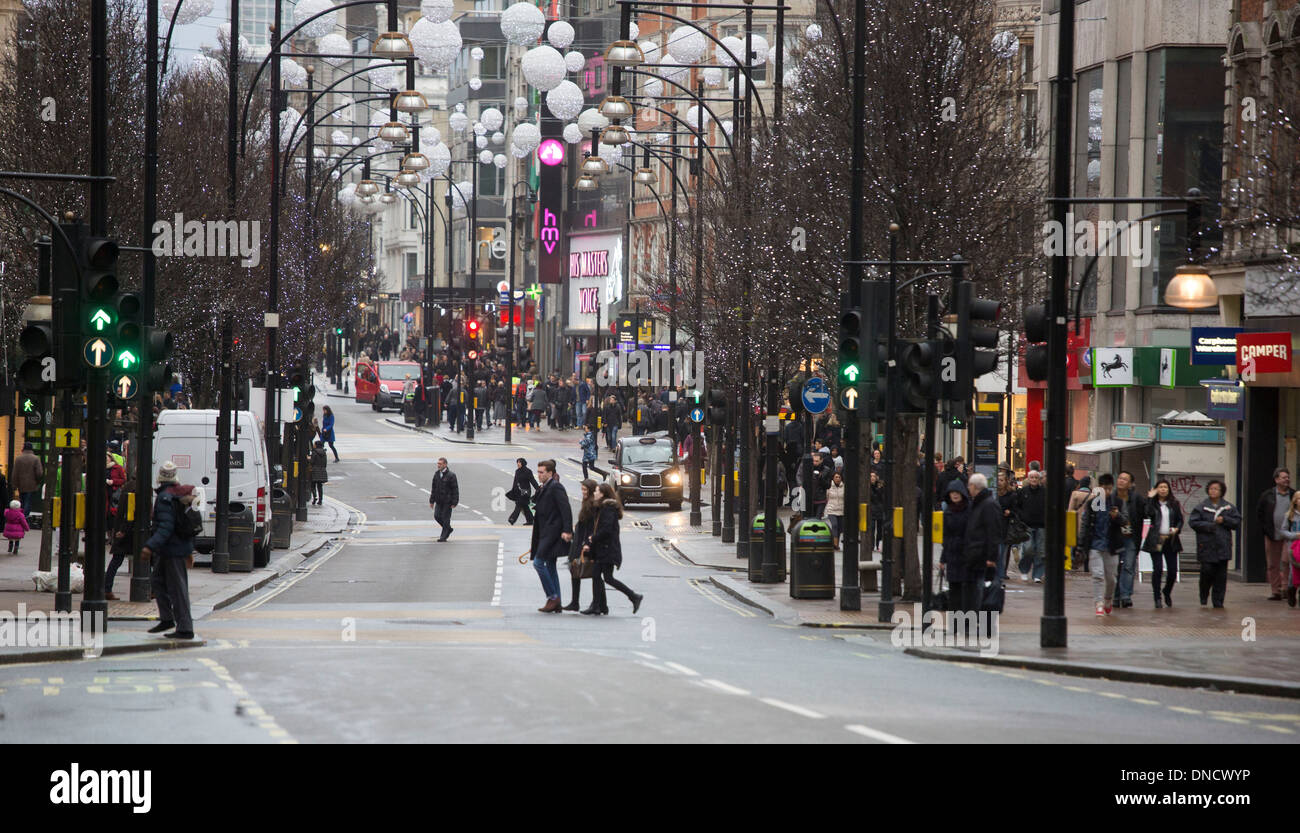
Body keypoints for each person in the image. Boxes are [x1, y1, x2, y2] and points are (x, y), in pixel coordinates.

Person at [142, 461, 198, 640]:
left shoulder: (166, 497)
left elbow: (166, 526)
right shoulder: (175, 493)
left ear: (159, 478)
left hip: (173, 550)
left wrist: (150, 546)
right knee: (157, 581)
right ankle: (167, 619)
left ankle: (185, 628)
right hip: (170, 549)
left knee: (178, 589)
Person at [583, 482, 644, 615]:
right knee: (598, 576)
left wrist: (593, 538)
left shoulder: (608, 509)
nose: (594, 493)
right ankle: (599, 606)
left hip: (608, 549)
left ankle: (633, 596)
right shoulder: (602, 507)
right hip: (603, 549)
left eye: (597, 491)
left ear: (603, 494)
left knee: (607, 578)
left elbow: (606, 530)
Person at [1189, 480, 1241, 608]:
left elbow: (1237, 522)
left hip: (1223, 546)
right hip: (1206, 545)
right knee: (1207, 571)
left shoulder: (1228, 507)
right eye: (1211, 488)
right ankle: (1204, 593)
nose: (1213, 491)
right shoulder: (1201, 507)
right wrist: (1209, 526)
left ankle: (1218, 601)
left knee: (1221, 576)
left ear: (1221, 491)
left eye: (1216, 489)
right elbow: (1193, 523)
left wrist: (1224, 520)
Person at [1080, 473, 1126, 615]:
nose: (1106, 492)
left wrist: (1117, 516)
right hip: (1095, 544)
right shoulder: (1092, 503)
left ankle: (1107, 599)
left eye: (1109, 489)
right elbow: (1085, 524)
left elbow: (1126, 522)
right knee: (1098, 575)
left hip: (1112, 545)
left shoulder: (1117, 502)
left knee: (1111, 578)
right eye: (1103, 488)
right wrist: (1081, 545)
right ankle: (1098, 603)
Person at [530, 460, 573, 613]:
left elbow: (566, 509)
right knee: (551, 566)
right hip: (544, 532)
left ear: (550, 473)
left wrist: (567, 530)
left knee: (538, 563)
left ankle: (552, 597)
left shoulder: (556, 487)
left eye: (542, 472)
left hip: (552, 533)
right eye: (538, 472)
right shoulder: (546, 486)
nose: (539, 475)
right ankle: (557, 602)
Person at [961, 474, 1002, 631]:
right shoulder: (979, 504)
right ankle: (976, 622)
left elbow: (993, 532)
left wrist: (991, 557)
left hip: (982, 556)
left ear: (974, 486)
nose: (968, 489)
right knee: (977, 590)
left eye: (970, 486)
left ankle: (984, 624)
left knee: (982, 591)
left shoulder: (988, 505)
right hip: (975, 555)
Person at [1255, 467, 1295, 601]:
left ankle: (1286, 588)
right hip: (1272, 534)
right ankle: (1275, 591)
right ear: (1276, 479)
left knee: (1287, 561)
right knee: (1272, 563)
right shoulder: (1267, 495)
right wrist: (1265, 530)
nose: (1287, 479)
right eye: (1284, 477)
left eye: (1288, 477)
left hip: (1289, 535)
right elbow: (1259, 513)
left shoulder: (1293, 495)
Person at [1142, 478, 1183, 608]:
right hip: (1156, 539)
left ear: (1169, 489)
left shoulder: (1174, 504)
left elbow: (1180, 520)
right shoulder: (1153, 504)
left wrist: (1177, 529)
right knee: (1158, 569)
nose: (1163, 489)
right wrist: (1149, 498)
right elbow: (1147, 513)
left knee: (1172, 571)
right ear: (1156, 489)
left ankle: (1167, 591)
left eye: (1165, 487)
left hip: (1170, 540)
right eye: (1160, 487)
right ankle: (1157, 597)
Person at [563, 479, 601, 612]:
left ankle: (594, 604)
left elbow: (590, 526)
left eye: (585, 490)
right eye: (582, 489)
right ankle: (577, 602)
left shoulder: (591, 504)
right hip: (579, 540)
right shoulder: (587, 502)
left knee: (590, 572)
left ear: (591, 490)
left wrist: (586, 543)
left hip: (584, 542)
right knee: (577, 570)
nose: (583, 492)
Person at [1111, 471, 1145, 608]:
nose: (1121, 481)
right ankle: (1116, 596)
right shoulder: (1111, 497)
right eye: (1120, 478)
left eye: (1125, 479)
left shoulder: (1136, 498)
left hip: (1131, 537)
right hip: (1115, 536)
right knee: (1115, 568)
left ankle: (1125, 596)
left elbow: (1145, 513)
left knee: (1128, 566)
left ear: (1130, 483)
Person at [939, 479, 971, 610]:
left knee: (967, 588)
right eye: (952, 493)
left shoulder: (969, 510)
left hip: (967, 554)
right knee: (954, 589)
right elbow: (946, 537)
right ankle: (956, 622)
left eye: (957, 492)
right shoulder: (948, 512)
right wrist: (943, 559)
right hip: (952, 554)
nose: (955, 495)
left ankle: (967, 619)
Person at [104, 478, 136, 599]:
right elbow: (131, 510)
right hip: (131, 531)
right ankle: (106, 588)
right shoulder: (138, 487)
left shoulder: (128, 485)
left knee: (116, 560)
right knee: (146, 560)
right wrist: (124, 530)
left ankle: (107, 588)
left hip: (125, 529)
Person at [1015, 470, 1047, 582]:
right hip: (1027, 525)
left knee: (1040, 551)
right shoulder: (1023, 491)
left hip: (1042, 525)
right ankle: (1024, 570)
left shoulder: (1045, 492)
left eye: (1036, 478)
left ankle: (1037, 575)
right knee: (1028, 549)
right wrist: (1021, 517)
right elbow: (1017, 506)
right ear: (1028, 479)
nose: (1034, 480)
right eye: (1032, 477)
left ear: (1039, 479)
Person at [428, 457, 459, 542]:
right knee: (437, 516)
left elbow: (455, 489)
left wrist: (455, 502)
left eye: (440, 464)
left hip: (447, 502)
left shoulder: (451, 475)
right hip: (438, 501)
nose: (438, 465)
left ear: (445, 464)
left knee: (445, 519)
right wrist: (431, 501)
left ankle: (443, 536)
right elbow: (433, 489)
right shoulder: (436, 474)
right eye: (438, 463)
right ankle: (448, 529)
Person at [12, 442, 43, 519]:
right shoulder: (36, 459)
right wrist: (38, 482)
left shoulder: (18, 459)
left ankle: (21, 516)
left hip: (21, 485)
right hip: (32, 485)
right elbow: (39, 473)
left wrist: (14, 485)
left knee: (22, 501)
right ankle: (24, 517)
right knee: (28, 501)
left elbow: (15, 473)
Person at [507, 457, 539, 525]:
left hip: (526, 492)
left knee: (518, 505)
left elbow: (532, 481)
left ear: (523, 463)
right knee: (525, 506)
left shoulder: (528, 471)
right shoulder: (517, 471)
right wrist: (513, 491)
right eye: (517, 462)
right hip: (519, 492)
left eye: (519, 462)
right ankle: (530, 520)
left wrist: (538, 489)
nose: (518, 464)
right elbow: (515, 482)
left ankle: (512, 519)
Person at [825, 471, 845, 549]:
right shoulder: (829, 486)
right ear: (833, 478)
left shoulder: (844, 487)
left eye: (839, 477)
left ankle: (837, 543)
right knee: (834, 525)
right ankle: (835, 544)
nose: (838, 479)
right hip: (831, 510)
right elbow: (826, 497)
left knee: (840, 528)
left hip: (841, 510)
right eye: (836, 477)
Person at [310, 440, 329, 506]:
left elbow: (312, 462)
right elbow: (325, 463)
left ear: (316, 445)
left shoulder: (314, 452)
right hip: (322, 470)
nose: (313, 445)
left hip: (315, 470)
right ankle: (320, 500)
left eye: (314, 444)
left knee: (313, 485)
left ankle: (315, 497)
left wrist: (308, 459)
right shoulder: (324, 452)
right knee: (320, 486)